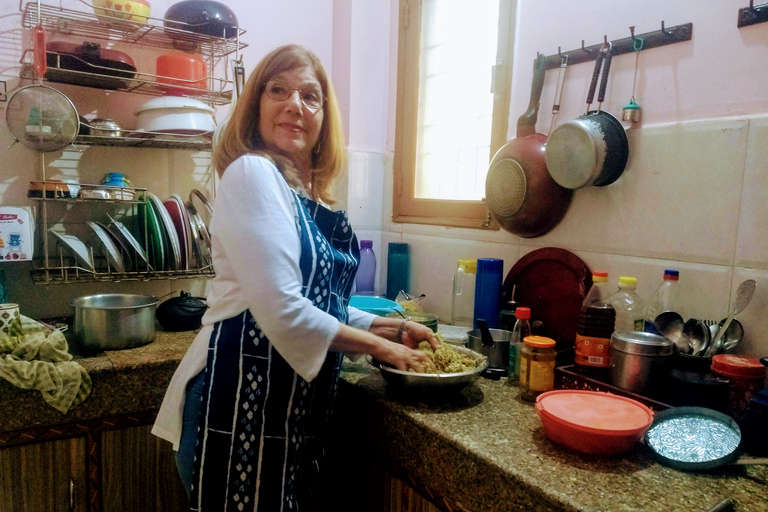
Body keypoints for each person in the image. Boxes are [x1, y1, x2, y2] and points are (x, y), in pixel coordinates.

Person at [152, 44, 439, 511]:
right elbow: (283, 311)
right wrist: (382, 349)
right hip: (236, 400)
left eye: (310, 96)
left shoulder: (310, 195)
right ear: (256, 107)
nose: (294, 105)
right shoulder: (252, 172)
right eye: (278, 90)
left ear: (324, 118)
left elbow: (315, 299)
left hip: (286, 411)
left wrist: (385, 325)